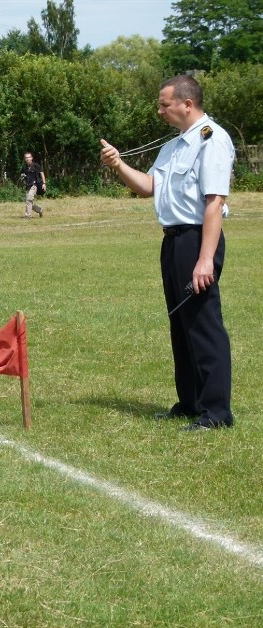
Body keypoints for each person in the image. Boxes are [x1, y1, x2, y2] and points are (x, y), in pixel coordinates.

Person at [100, 74, 234, 432]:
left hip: (196, 239)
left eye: (164, 103)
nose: (159, 110)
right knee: (181, 324)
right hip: (173, 241)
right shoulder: (173, 147)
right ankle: (190, 403)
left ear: (187, 104)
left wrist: (205, 259)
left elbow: (214, 201)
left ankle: (217, 412)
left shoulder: (212, 141)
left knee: (204, 324)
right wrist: (118, 165)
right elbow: (147, 186)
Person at [21, 152, 46, 219]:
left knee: (29, 200)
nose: (27, 159)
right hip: (27, 185)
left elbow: (42, 173)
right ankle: (40, 210)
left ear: (31, 158)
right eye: (26, 157)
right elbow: (23, 175)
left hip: (35, 185)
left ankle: (27, 216)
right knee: (28, 201)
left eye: (28, 157)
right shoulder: (24, 167)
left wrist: (44, 183)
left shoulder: (36, 165)